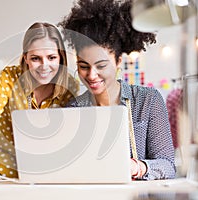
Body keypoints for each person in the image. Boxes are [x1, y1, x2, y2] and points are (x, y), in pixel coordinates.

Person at [59, 0, 176, 180]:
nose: (91, 75)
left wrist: (138, 167)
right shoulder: (73, 110)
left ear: (118, 62)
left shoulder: (148, 101)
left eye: (101, 65)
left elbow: (167, 165)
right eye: (83, 66)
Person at [0, 22, 79, 178]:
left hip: (42, 173)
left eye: (51, 57)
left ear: (61, 57)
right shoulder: (9, 77)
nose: (44, 66)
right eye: (36, 58)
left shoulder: (70, 87)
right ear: (26, 58)